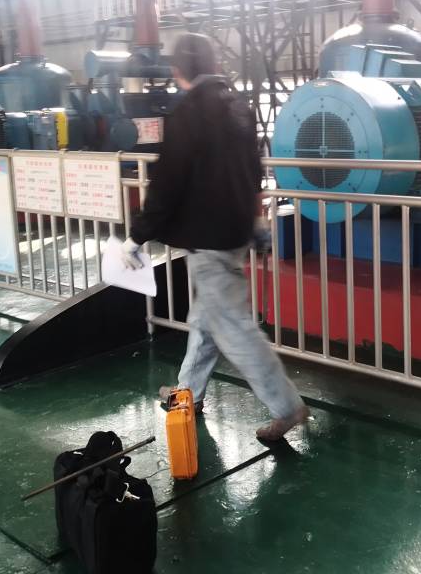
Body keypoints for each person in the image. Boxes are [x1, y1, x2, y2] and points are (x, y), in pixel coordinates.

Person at [121, 33, 308, 442]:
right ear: (215, 64)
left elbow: (167, 183)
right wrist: (256, 223)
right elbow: (253, 168)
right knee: (206, 320)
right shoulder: (238, 105)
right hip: (235, 230)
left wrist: (137, 236)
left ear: (177, 71)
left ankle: (286, 407)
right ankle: (187, 394)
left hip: (207, 238)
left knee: (235, 329)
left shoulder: (187, 113)